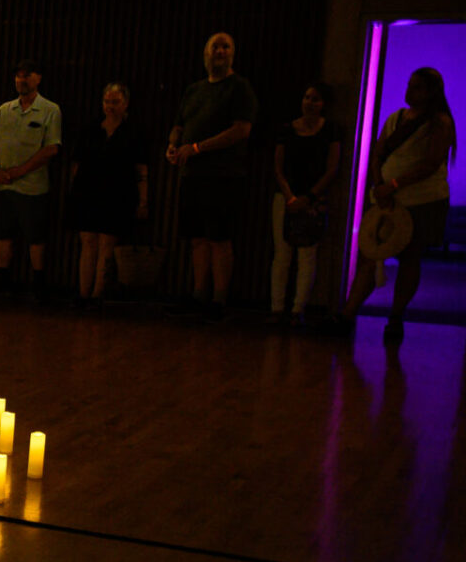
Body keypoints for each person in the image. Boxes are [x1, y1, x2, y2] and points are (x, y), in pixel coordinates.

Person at [339, 67, 456, 346]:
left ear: (430, 93)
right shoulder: (395, 118)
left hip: (420, 200)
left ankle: (395, 317)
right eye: (409, 84)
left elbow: (430, 164)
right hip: (385, 199)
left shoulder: (439, 122)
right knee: (369, 254)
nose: (409, 90)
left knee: (409, 258)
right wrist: (380, 186)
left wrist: (391, 186)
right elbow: (378, 152)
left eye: (416, 87)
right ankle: (347, 315)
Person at [166, 32, 257, 321]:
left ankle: (219, 299)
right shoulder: (194, 90)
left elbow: (241, 129)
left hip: (223, 176)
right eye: (215, 46)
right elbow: (179, 125)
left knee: (219, 237)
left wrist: (197, 148)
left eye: (225, 46)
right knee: (197, 238)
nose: (220, 51)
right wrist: (173, 145)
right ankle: (198, 294)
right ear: (205, 54)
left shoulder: (239, 87)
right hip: (192, 174)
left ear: (232, 53)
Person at [0, 60, 62, 298]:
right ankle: (1, 281)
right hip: (3, 185)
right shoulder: (4, 109)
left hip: (33, 187)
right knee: (3, 234)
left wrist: (20, 171)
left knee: (35, 236)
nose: (22, 80)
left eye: (26, 76)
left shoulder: (50, 110)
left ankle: (37, 284)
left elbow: (51, 149)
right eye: (18, 76)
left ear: (38, 78)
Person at [67, 83, 147, 308]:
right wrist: (73, 191)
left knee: (106, 244)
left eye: (115, 102)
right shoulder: (91, 129)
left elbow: (141, 169)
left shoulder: (133, 132)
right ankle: (84, 293)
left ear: (126, 104)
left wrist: (143, 200)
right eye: (107, 102)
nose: (110, 106)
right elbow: (77, 163)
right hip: (87, 191)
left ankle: (97, 294)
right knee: (88, 242)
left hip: (117, 193)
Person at [269, 83, 341, 323]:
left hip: (314, 199)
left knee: (308, 254)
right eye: (307, 97)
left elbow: (332, 168)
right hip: (286, 197)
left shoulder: (331, 130)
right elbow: (278, 167)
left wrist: (309, 197)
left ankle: (298, 310)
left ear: (324, 104)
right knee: (282, 254)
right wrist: (290, 196)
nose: (309, 102)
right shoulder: (287, 129)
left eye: (316, 99)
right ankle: (277, 308)